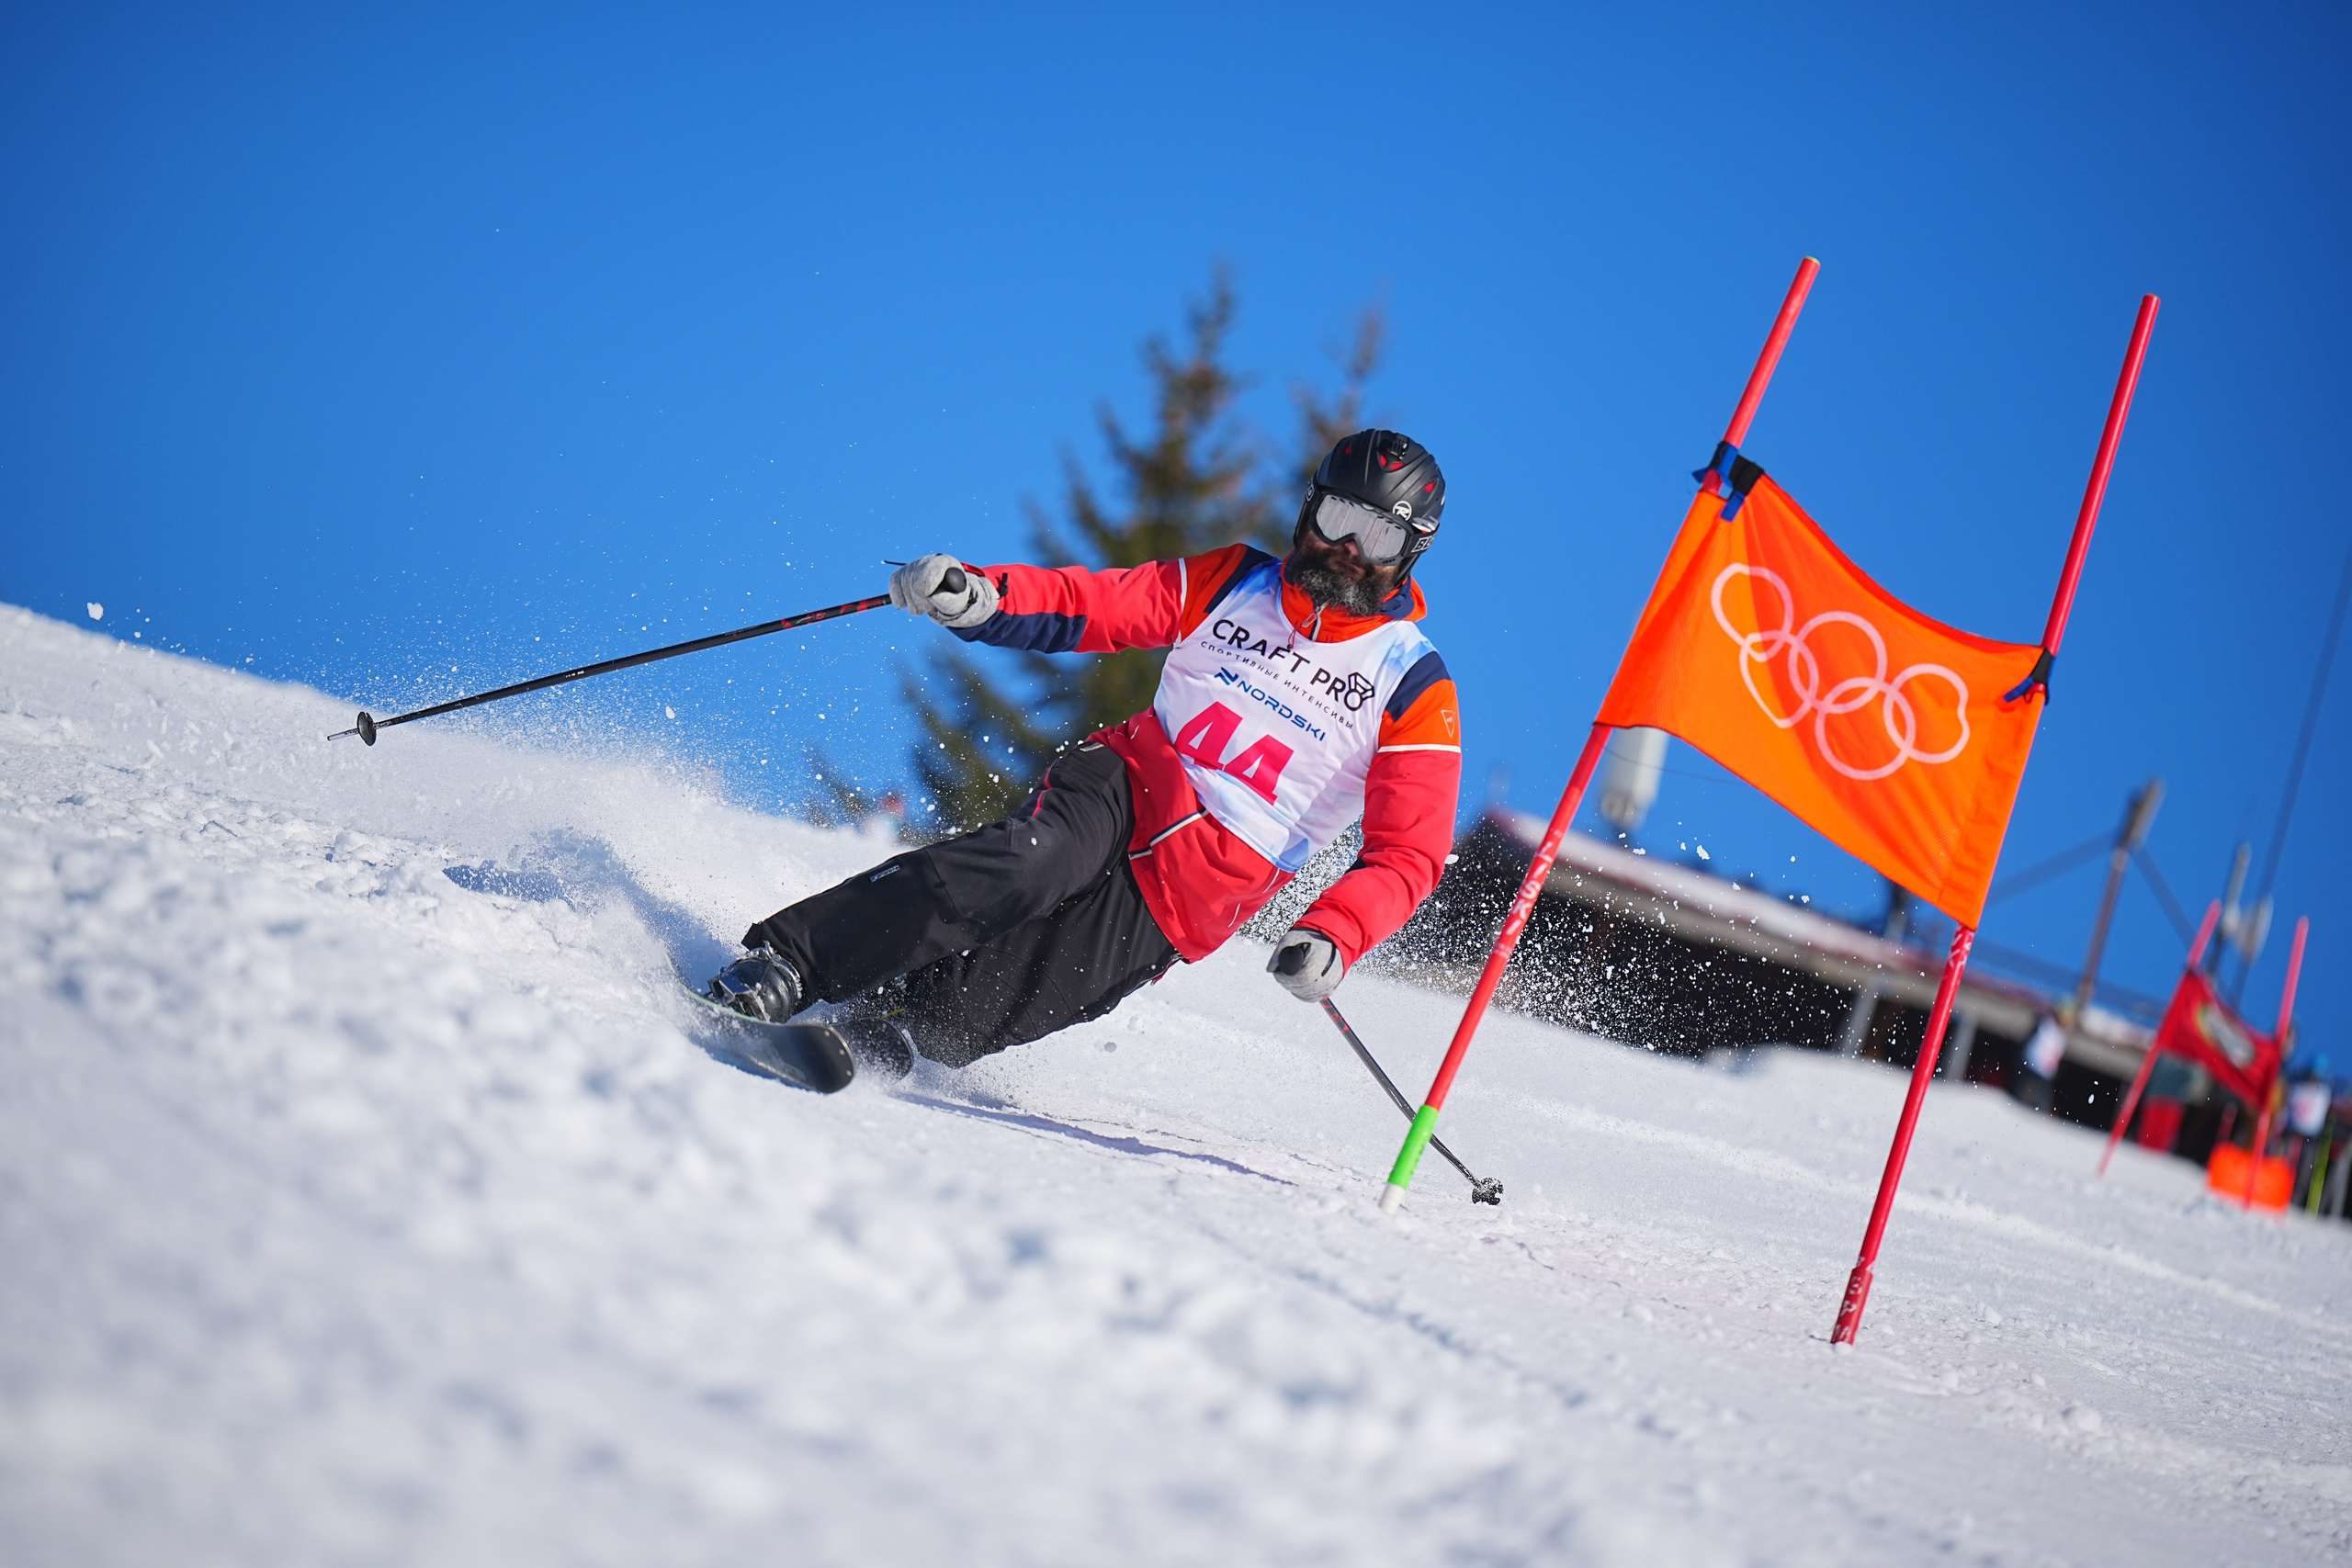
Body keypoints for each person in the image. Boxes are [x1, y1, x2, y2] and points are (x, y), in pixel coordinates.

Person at [706, 429, 1464, 1068]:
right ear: (1308, 510)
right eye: (1338, 517)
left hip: (1194, 892)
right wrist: (987, 598)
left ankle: (885, 1027)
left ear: (1411, 554)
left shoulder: (1413, 684)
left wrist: (1336, 931)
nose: (1348, 549)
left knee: (992, 1002)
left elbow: (1408, 853)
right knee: (1027, 863)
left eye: (1380, 536)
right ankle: (790, 962)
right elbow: (1097, 605)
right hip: (1127, 783)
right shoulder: (1234, 581)